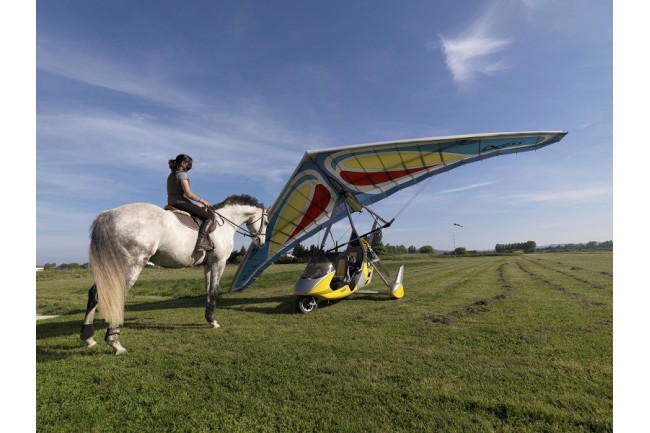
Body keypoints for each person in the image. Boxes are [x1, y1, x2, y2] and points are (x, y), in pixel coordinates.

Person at [167, 154, 215, 252]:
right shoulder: (182, 174)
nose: (189, 167)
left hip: (172, 202)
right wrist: (202, 200)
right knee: (209, 217)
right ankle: (201, 243)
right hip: (181, 202)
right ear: (184, 163)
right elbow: (188, 194)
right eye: (188, 164)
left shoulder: (171, 175)